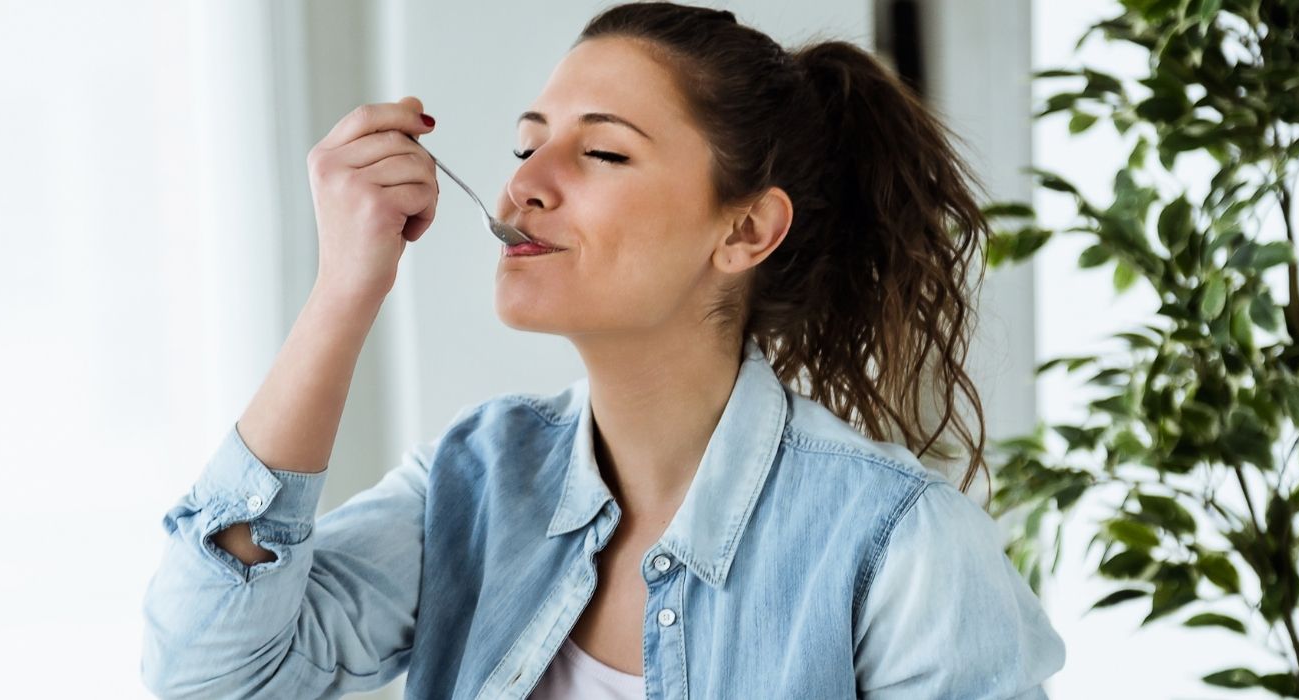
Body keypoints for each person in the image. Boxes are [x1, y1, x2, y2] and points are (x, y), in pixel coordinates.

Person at [140, 2, 1065, 698]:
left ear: (745, 230)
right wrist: (345, 289)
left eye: (603, 154)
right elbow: (208, 674)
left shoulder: (900, 546)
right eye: (525, 145)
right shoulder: (474, 483)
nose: (523, 187)